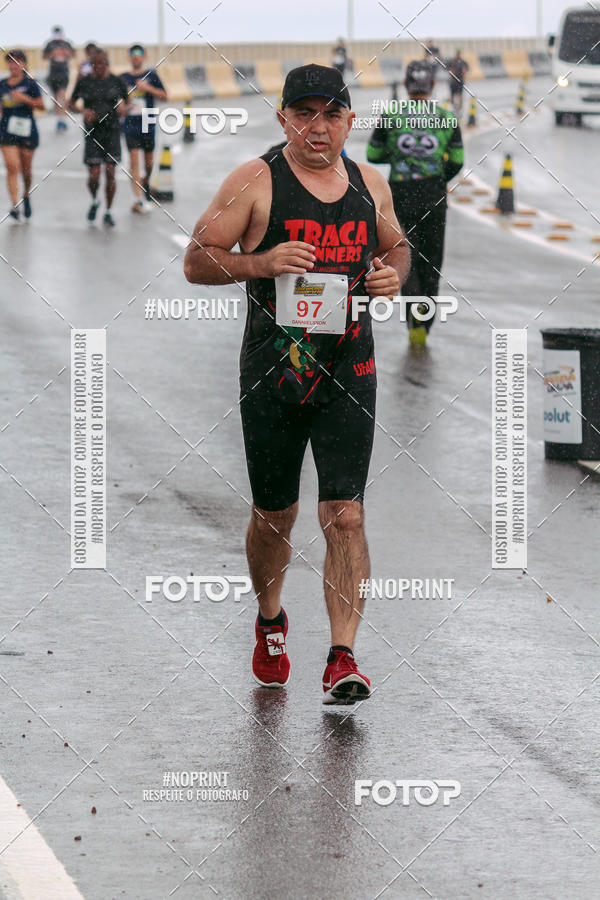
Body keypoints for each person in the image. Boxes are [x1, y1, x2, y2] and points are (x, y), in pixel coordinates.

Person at [184, 64, 410, 704]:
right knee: (274, 516)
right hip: (274, 375)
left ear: (349, 121)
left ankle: (343, 658)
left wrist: (391, 273)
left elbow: (396, 249)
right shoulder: (256, 180)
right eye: (304, 114)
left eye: (331, 114)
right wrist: (262, 261)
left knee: (345, 514)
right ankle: (271, 619)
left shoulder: (370, 184)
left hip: (349, 369)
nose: (318, 127)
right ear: (283, 117)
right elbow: (197, 260)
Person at [367, 60, 464, 346]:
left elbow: (373, 153)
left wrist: (399, 158)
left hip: (399, 195)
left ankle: (412, 318)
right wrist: (436, 175)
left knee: (404, 254)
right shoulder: (446, 117)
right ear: (434, 85)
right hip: (434, 193)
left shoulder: (392, 115)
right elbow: (458, 161)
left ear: (406, 86)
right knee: (432, 259)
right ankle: (426, 320)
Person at [69, 49, 128, 227]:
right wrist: (83, 111)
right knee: (94, 175)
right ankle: (95, 200)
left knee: (110, 172)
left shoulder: (116, 82)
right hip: (92, 133)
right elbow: (71, 104)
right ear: (91, 66)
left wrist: (123, 108)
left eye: (102, 64)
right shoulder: (84, 83)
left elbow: (128, 102)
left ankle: (109, 211)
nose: (99, 68)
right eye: (95, 65)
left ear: (107, 65)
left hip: (112, 131)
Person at [120, 44, 167, 213]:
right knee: (134, 161)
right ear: (129, 57)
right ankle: (138, 198)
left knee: (148, 162)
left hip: (147, 121)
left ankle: (146, 179)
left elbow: (164, 96)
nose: (136, 57)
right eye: (132, 54)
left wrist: (147, 88)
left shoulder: (151, 75)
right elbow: (118, 102)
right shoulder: (123, 78)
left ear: (144, 56)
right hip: (130, 123)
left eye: (139, 54)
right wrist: (122, 108)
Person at [0, 50, 44, 220]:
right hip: (6, 130)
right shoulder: (2, 84)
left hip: (27, 130)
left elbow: (41, 106)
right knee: (12, 166)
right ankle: (14, 205)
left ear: (24, 64)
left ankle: (26, 194)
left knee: (26, 171)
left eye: (17, 62)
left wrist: (24, 98)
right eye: (10, 62)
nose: (13, 66)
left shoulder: (31, 84)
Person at [43, 25, 74, 131]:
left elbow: (72, 54)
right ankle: (59, 119)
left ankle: (63, 119)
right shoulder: (50, 44)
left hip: (63, 72)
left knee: (62, 95)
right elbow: (44, 56)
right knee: (56, 97)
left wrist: (63, 52)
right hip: (53, 73)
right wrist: (53, 53)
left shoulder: (66, 44)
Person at [447, 49, 469, 116]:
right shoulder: (452, 61)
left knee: (460, 96)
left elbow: (467, 69)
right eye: (457, 53)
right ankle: (453, 109)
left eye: (459, 53)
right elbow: (446, 67)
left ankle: (459, 111)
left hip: (460, 81)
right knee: (452, 96)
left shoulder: (463, 62)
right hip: (453, 81)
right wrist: (450, 70)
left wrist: (464, 70)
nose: (458, 55)